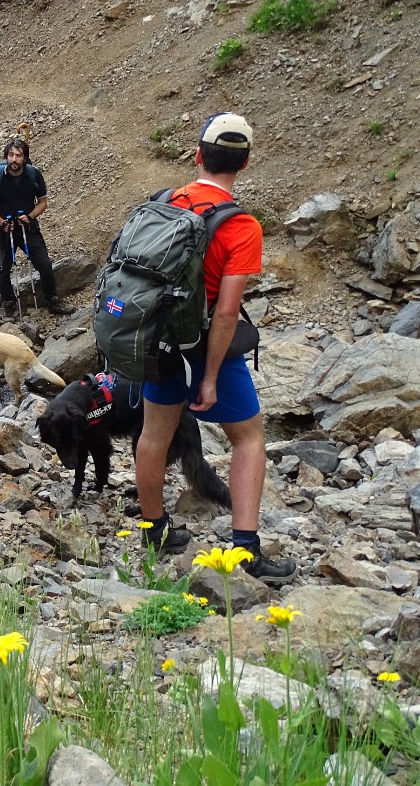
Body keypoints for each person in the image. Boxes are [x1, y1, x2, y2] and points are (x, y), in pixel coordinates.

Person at [133, 113, 295, 585]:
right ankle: (245, 548)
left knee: (153, 434)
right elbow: (225, 313)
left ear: (197, 155)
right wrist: (207, 376)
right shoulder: (241, 226)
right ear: (244, 163)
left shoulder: (166, 201)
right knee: (247, 437)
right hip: (205, 343)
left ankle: (155, 529)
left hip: (156, 337)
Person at [0, 137, 65, 316]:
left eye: (18, 155)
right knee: (4, 269)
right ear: (6, 156)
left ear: (24, 158)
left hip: (28, 227)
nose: (14, 159)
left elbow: (43, 202)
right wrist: (0, 221)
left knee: (45, 265)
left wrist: (31, 216)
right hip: (4, 229)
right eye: (11, 155)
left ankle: (53, 300)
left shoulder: (34, 175)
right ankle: (9, 305)